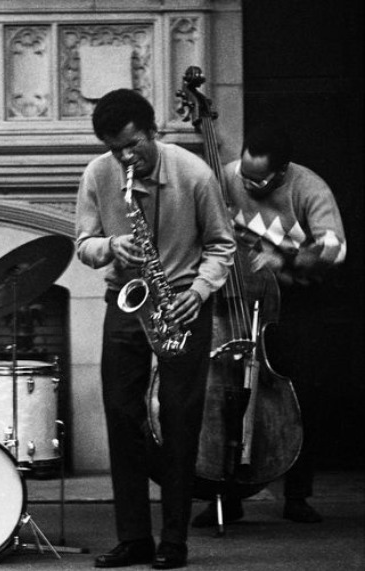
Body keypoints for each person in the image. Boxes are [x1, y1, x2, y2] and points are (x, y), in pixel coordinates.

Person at [75, 89, 236, 569]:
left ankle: (174, 541)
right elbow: (83, 243)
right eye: (115, 149)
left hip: (183, 301)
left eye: (133, 145)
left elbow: (222, 244)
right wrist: (109, 245)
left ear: (153, 131)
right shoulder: (97, 173)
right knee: (122, 418)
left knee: (180, 421)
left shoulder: (195, 174)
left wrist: (199, 292)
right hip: (127, 298)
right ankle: (134, 539)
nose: (125, 158)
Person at [191, 123, 346, 528]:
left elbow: (335, 249)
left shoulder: (309, 188)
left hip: (294, 301)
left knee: (297, 395)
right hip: (239, 299)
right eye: (244, 175)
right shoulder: (228, 176)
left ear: (280, 173)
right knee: (229, 392)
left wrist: (286, 259)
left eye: (257, 180)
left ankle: (297, 496)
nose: (246, 184)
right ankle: (227, 495)